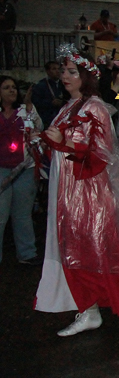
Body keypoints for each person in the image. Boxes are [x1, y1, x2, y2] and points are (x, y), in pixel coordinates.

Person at [34, 44, 119, 335]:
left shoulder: (95, 107)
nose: (65, 75)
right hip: (67, 190)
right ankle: (88, 309)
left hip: (89, 191)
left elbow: (101, 151)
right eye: (63, 71)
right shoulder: (67, 108)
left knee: (97, 246)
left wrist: (61, 141)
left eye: (72, 71)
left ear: (86, 76)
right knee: (74, 249)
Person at [0, 76, 43, 265]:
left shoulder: (24, 112)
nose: (12, 91)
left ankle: (27, 253)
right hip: (1, 169)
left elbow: (38, 127)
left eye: (14, 87)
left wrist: (29, 107)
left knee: (22, 213)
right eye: (6, 87)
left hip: (24, 168)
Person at [31, 61, 66, 127]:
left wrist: (62, 102)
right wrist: (50, 103)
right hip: (47, 120)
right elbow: (36, 102)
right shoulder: (41, 86)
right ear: (48, 71)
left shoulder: (64, 84)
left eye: (58, 69)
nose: (57, 71)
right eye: (54, 69)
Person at [0, 0, 16, 70]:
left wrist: (12, 28)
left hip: (7, 31)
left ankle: (9, 67)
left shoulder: (8, 6)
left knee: (8, 51)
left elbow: (13, 17)